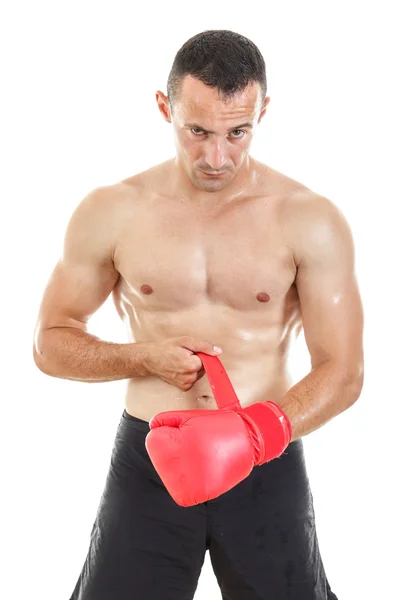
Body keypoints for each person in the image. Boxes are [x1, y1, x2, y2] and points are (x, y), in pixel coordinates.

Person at [33, 29, 364, 600]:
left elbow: (344, 369)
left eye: (239, 133)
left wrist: (255, 436)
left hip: (265, 461)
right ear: (166, 108)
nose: (218, 157)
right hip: (149, 460)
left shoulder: (308, 218)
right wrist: (140, 357)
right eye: (199, 132)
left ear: (264, 111)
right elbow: (50, 343)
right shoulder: (111, 211)